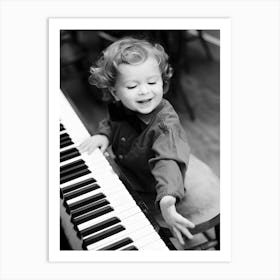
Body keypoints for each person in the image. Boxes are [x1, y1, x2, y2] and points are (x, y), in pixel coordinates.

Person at [79, 37, 219, 247]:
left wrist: (168, 199)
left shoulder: (165, 126)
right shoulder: (123, 106)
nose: (144, 90)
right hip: (131, 172)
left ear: (163, 81)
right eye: (133, 85)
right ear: (115, 93)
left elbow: (168, 160)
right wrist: (105, 135)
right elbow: (114, 123)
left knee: (140, 232)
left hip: (155, 186)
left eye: (152, 82)